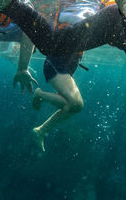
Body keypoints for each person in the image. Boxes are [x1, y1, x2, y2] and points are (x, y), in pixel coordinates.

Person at [31, 9, 91, 152]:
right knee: (76, 105)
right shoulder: (74, 11)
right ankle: (39, 94)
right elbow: (65, 18)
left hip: (69, 63)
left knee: (70, 107)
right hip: (56, 63)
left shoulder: (91, 15)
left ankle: (40, 131)